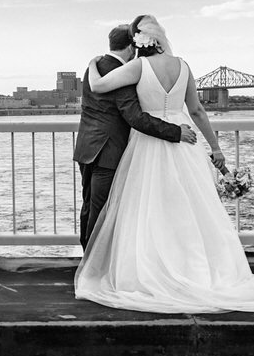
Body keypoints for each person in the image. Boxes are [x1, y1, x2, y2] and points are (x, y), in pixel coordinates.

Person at [74, 15, 254, 313]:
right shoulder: (184, 66)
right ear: (160, 39)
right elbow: (197, 110)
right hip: (185, 141)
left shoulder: (138, 67)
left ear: (139, 42)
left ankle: (148, 268)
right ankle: (197, 270)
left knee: (148, 208)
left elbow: (100, 85)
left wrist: (91, 64)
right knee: (190, 207)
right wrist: (216, 149)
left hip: (150, 143)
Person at [73, 24, 197, 250]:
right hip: (107, 152)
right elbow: (135, 117)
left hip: (86, 148)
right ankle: (93, 265)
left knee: (90, 207)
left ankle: (87, 258)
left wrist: (91, 62)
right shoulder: (121, 74)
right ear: (131, 46)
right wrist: (176, 131)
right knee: (102, 211)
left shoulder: (96, 66)